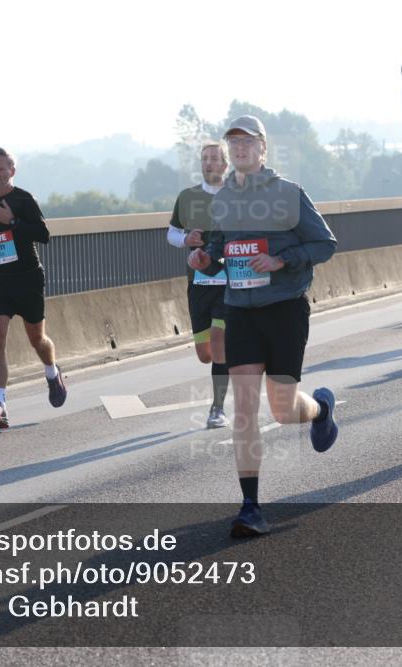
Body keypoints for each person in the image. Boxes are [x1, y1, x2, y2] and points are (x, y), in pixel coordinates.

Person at [188, 115, 338, 537]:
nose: (239, 148)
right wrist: (205, 259)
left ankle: (321, 409)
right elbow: (221, 250)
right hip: (240, 310)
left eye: (247, 142)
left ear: (263, 149)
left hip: (285, 309)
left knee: (284, 410)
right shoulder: (222, 199)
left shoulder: (288, 193)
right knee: (244, 409)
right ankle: (250, 506)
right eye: (233, 142)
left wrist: (280, 260)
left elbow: (325, 244)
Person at [0, 147, 67, 429]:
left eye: (0, 169)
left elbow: (43, 234)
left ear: (12, 171)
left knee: (37, 339)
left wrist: (12, 220)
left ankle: (52, 372)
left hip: (27, 277)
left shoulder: (25, 199)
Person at [167, 142, 231, 429]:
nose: (208, 163)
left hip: (228, 282)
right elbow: (171, 233)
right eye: (205, 158)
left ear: (225, 165)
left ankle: (217, 408)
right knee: (206, 354)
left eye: (214, 158)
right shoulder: (188, 197)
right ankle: (233, 357)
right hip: (198, 282)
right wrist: (186, 240)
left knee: (219, 342)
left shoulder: (236, 197)